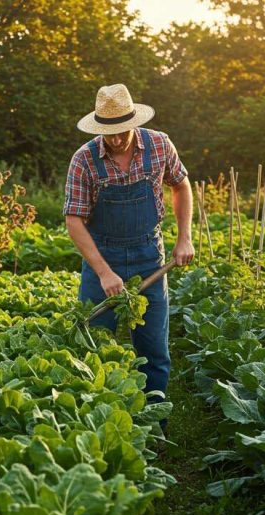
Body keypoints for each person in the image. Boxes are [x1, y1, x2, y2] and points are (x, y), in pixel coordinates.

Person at [64, 83, 194, 424]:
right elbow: (74, 220)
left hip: (148, 253)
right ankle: (99, 423)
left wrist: (184, 239)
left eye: (122, 129)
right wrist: (104, 272)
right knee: (93, 344)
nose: (117, 138)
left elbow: (181, 184)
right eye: (109, 131)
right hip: (101, 256)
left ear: (133, 121)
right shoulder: (84, 159)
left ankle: (154, 426)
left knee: (153, 349)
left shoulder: (159, 145)